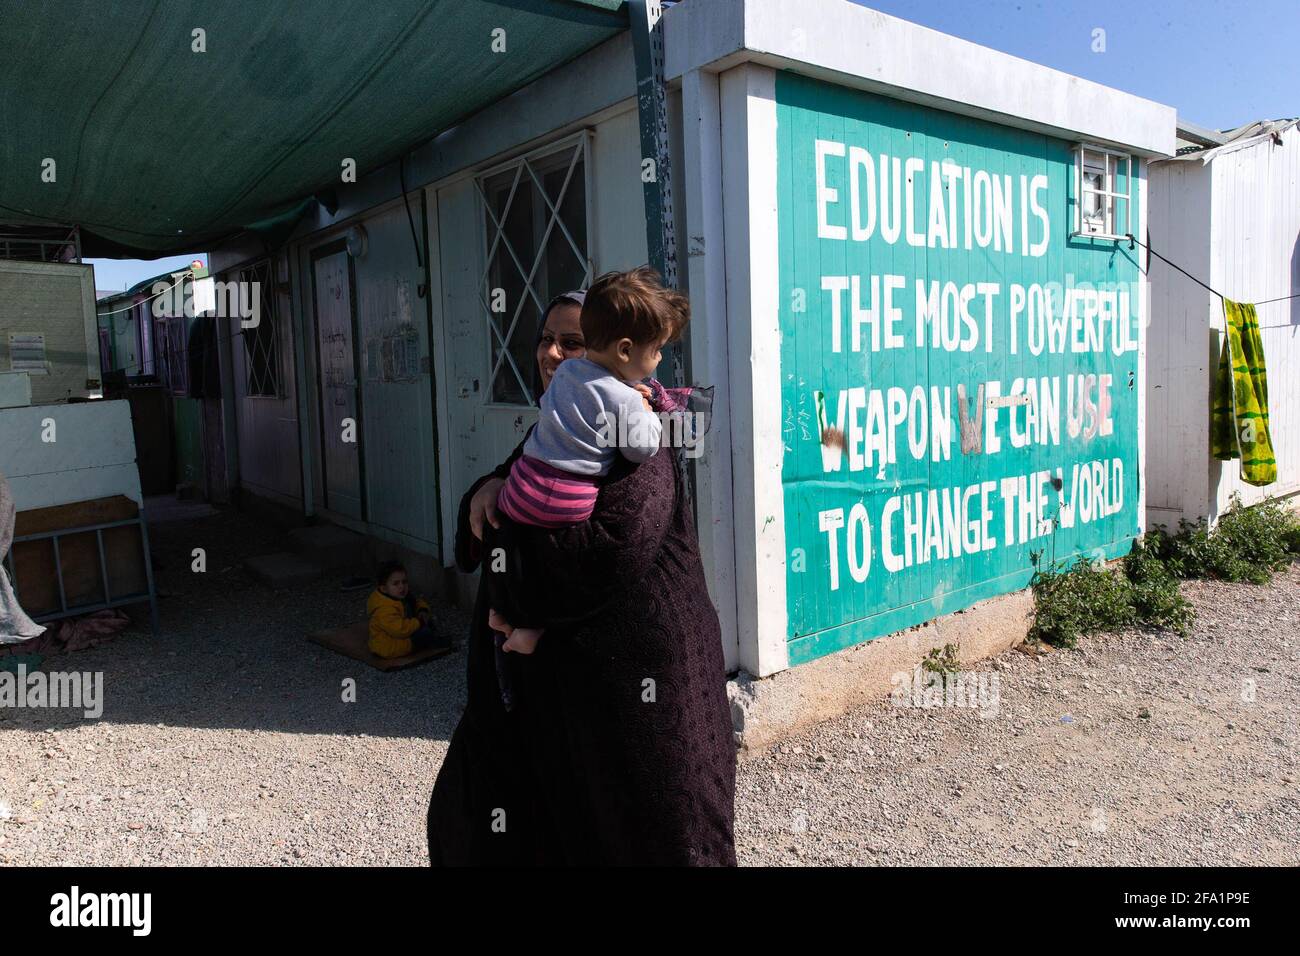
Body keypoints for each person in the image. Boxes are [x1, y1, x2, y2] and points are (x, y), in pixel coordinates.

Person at [426, 281, 737, 866]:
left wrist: (514, 584)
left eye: (570, 342)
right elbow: (495, 499)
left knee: (657, 837)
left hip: (641, 687)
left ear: (611, 350)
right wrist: (487, 490)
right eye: (545, 339)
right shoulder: (562, 426)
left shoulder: (635, 438)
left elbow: (596, 559)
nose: (551, 354)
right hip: (560, 687)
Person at [485, 268, 687, 656]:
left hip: (522, 483)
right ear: (625, 350)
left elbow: (547, 411)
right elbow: (641, 449)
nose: (659, 358)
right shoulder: (626, 398)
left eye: (571, 341)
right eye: (658, 349)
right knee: (559, 563)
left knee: (515, 544)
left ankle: (502, 608)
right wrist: (646, 414)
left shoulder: (568, 375)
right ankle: (529, 628)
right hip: (565, 497)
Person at [366, 562, 449, 659]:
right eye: (396, 583)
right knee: (425, 635)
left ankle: (429, 634)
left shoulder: (397, 595)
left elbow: (416, 602)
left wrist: (422, 610)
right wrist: (419, 622)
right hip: (389, 647)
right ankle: (433, 641)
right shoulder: (383, 609)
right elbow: (400, 630)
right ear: (384, 589)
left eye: (404, 582)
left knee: (424, 619)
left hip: (399, 635)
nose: (402, 586)